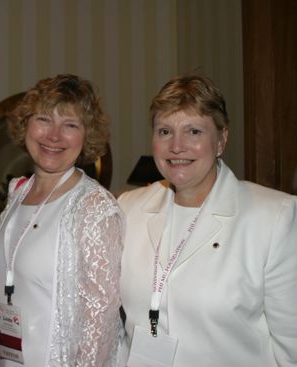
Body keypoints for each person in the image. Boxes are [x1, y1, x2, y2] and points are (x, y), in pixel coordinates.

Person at [118, 74, 297, 366]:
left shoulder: (274, 218)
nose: (176, 146)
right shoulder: (128, 209)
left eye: (194, 132)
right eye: (164, 131)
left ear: (221, 140)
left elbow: (292, 347)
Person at [0, 74, 124, 366]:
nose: (54, 136)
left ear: (86, 136)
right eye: (44, 120)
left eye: (70, 125)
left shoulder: (94, 206)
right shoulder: (18, 193)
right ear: (26, 125)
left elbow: (101, 321)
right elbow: (29, 268)